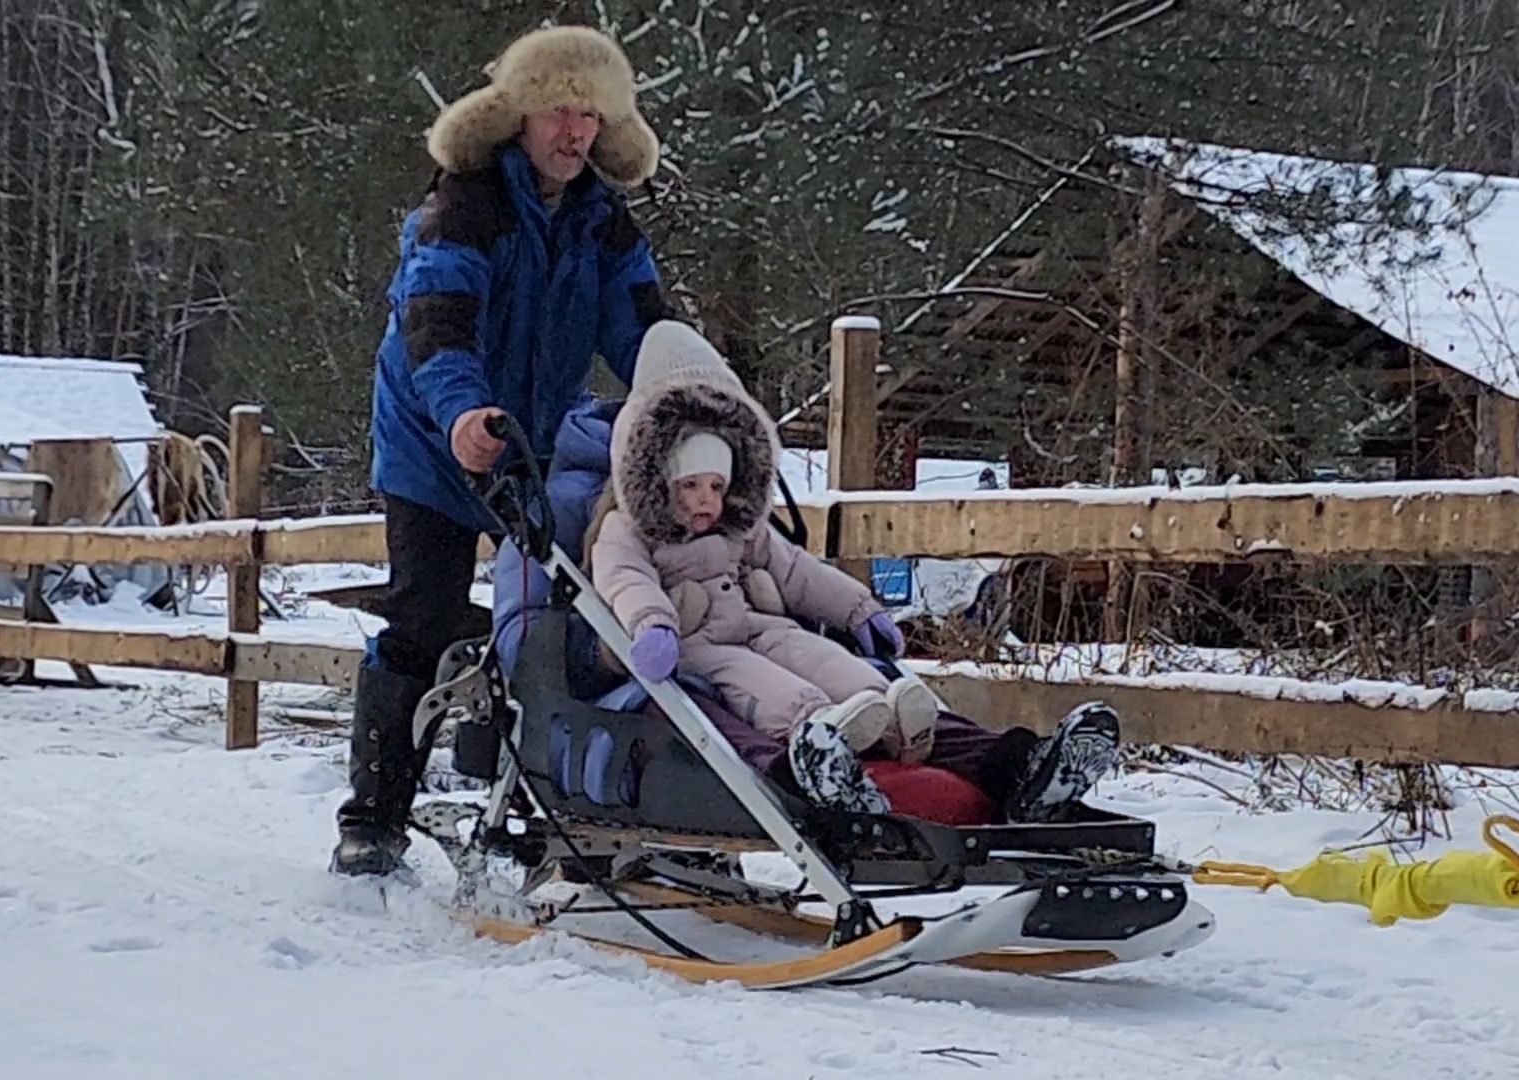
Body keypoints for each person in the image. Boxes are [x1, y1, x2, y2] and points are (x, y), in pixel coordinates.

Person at [490, 320, 1124, 821]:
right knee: (734, 706)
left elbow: (795, 572)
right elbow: (553, 630)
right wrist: (631, 642)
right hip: (664, 674)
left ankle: (1017, 767)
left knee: (871, 684)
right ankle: (804, 774)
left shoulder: (738, 522)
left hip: (759, 637)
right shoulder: (579, 512)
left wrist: (859, 609)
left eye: (721, 481)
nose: (708, 498)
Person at [333, 24, 674, 877]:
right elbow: (436, 327)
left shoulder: (602, 222)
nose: (574, 133)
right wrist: (462, 414)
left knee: (562, 623)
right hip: (433, 436)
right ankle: (372, 818)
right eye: (558, 111)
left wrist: (693, 407)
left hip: (532, 443)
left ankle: (555, 806)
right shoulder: (466, 206)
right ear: (519, 117)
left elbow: (644, 329)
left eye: (591, 117)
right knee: (422, 617)